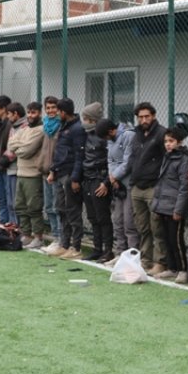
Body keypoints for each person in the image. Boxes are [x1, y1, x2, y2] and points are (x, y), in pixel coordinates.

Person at [127, 103, 168, 273]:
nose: (144, 120)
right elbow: (133, 157)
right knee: (142, 227)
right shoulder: (136, 134)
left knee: (157, 227)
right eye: (141, 117)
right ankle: (145, 259)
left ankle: (160, 262)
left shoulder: (161, 134)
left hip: (153, 187)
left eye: (147, 116)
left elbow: (167, 160)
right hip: (137, 186)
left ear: (154, 116)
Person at [152, 123, 188, 282]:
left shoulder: (184, 159)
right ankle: (171, 267)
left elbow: (184, 186)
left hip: (174, 207)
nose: (168, 144)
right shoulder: (167, 157)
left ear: (179, 142)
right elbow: (162, 183)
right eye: (166, 141)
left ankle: (183, 270)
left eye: (171, 141)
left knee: (176, 239)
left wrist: (179, 210)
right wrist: (157, 205)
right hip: (163, 205)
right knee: (166, 238)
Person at [46, 98, 86, 259]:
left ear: (63, 112)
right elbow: (59, 152)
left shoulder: (77, 129)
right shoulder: (64, 126)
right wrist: (53, 170)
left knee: (73, 211)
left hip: (70, 175)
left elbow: (79, 154)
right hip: (60, 173)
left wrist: (76, 177)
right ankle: (64, 244)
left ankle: (76, 247)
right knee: (61, 209)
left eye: (58, 111)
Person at [7, 103, 48, 247]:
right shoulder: (24, 129)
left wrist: (18, 147)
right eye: (29, 112)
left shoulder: (41, 130)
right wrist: (19, 146)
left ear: (40, 113)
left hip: (33, 173)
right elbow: (11, 144)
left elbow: (26, 151)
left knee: (34, 207)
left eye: (34, 112)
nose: (31, 115)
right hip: (21, 172)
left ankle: (38, 237)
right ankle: (26, 234)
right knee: (20, 206)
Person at [80, 104, 114, 262]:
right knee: (92, 217)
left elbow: (111, 161)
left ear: (93, 119)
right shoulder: (86, 135)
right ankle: (97, 248)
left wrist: (105, 182)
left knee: (103, 217)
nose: (84, 122)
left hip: (99, 179)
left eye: (86, 119)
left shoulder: (103, 137)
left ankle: (108, 250)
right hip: (87, 178)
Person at [104, 117, 137, 266]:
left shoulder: (129, 135)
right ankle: (120, 252)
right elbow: (110, 160)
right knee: (117, 220)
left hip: (129, 184)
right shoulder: (110, 140)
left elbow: (128, 161)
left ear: (111, 130)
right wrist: (112, 178)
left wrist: (115, 176)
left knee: (129, 222)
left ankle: (132, 255)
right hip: (117, 185)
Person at [39, 96, 62, 248]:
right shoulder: (45, 126)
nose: (51, 110)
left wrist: (54, 170)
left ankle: (60, 237)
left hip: (56, 173)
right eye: (48, 108)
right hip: (44, 172)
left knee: (57, 206)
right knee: (48, 206)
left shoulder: (60, 126)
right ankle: (55, 236)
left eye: (53, 107)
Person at [0, 95, 16, 225]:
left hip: (7, 165)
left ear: (4, 108)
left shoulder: (9, 124)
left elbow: (11, 145)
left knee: (9, 197)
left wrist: (4, 159)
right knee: (0, 197)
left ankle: (12, 224)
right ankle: (3, 221)